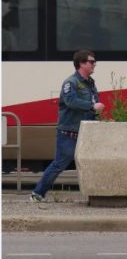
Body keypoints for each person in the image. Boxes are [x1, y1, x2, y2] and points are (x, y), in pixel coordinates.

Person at [30, 50, 105, 202]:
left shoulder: (90, 82)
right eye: (91, 62)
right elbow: (71, 102)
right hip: (69, 132)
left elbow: (94, 100)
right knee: (60, 164)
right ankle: (37, 193)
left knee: (90, 162)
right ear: (81, 64)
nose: (94, 64)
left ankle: (93, 195)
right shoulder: (71, 82)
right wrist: (92, 106)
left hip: (86, 130)